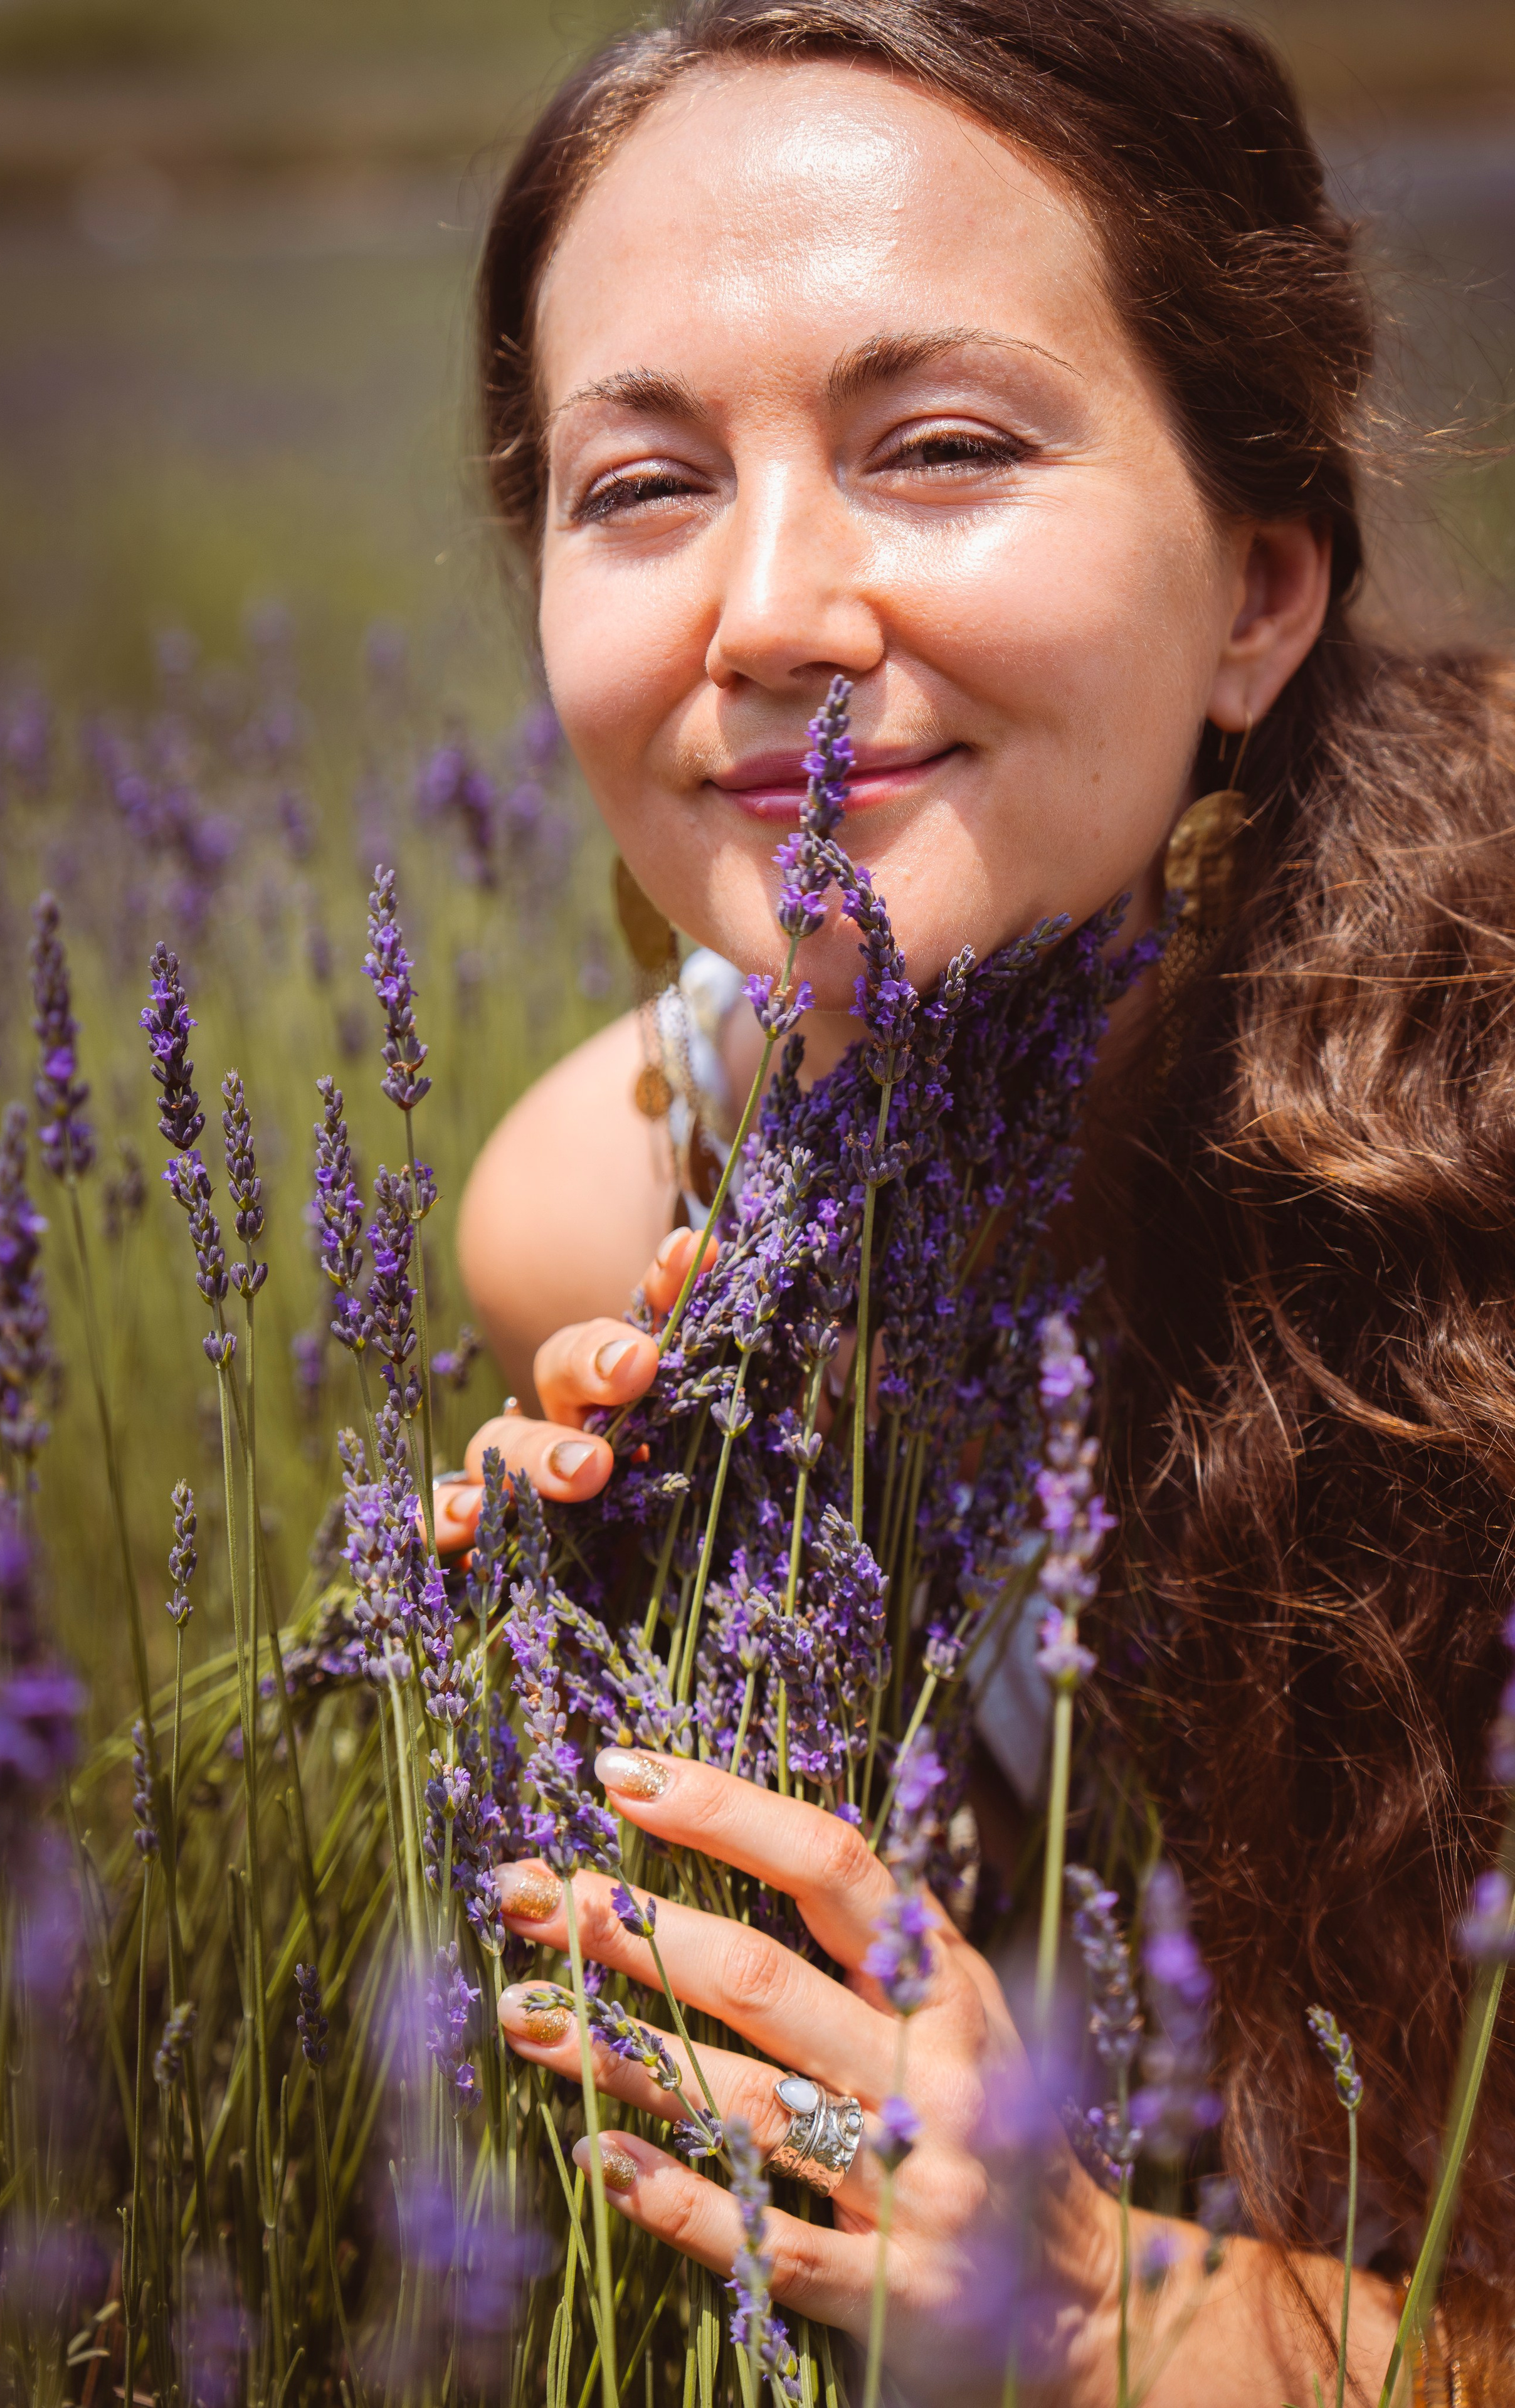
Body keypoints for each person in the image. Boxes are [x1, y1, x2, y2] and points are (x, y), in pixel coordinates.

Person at [433, 1, 1515, 2395]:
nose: (769, 616)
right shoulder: (593, 1214)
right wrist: (601, 1685)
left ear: (1260, 586)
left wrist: (1115, 2311)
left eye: (938, 448)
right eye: (641, 485)